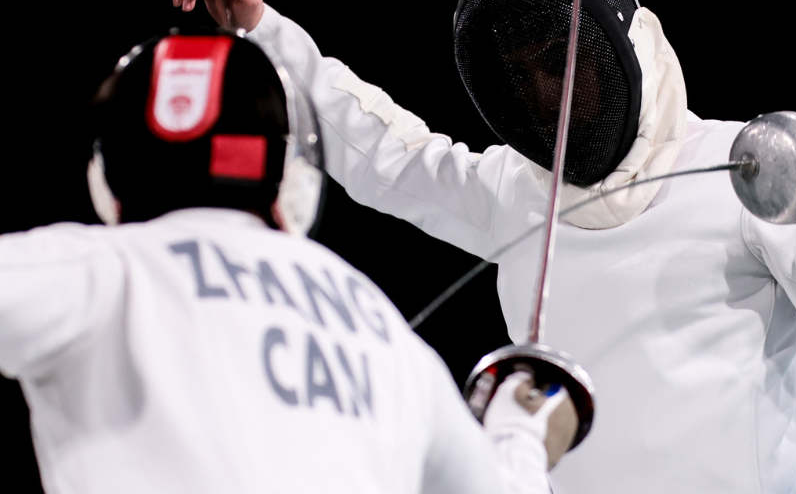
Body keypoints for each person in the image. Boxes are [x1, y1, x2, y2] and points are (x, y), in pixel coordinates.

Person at [168, 0, 796, 493]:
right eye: (520, 73)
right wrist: (264, 32)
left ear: (625, 43)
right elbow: (385, 153)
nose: (546, 93)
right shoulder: (515, 193)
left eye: (561, 59)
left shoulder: (748, 173)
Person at [0, 28, 578, 493]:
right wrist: (518, 434)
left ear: (110, 169)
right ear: (290, 170)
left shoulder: (98, 269)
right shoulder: (375, 321)